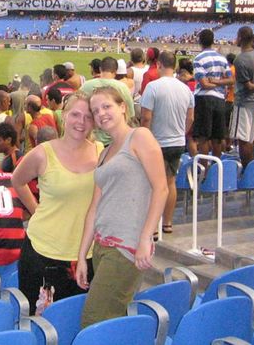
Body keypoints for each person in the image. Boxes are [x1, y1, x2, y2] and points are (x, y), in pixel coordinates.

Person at [75, 86, 168, 328]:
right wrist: (82, 256)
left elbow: (161, 189)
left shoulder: (140, 137)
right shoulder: (104, 154)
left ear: (123, 107)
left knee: (93, 320)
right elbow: (94, 208)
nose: (101, 114)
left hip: (126, 247)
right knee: (109, 319)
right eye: (96, 111)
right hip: (102, 246)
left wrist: (146, 239)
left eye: (107, 106)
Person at [11, 92, 103, 315]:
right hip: (43, 253)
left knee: (74, 319)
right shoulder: (43, 153)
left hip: (86, 255)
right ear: (63, 116)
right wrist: (36, 210)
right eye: (75, 114)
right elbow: (17, 180)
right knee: (41, 321)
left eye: (88, 116)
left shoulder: (101, 152)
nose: (81, 122)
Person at [140, 51, 193, 236]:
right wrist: (181, 133)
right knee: (170, 182)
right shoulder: (185, 89)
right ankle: (167, 223)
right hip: (177, 141)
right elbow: (190, 117)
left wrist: (143, 137)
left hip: (157, 141)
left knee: (154, 184)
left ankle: (153, 227)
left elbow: (146, 117)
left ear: (160, 65)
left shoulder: (153, 87)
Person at [230, 26, 254, 169]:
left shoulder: (240, 59)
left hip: (244, 103)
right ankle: (250, 170)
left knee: (243, 140)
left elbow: (249, 86)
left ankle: (247, 170)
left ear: (240, 37)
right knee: (251, 139)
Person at [192, 29, 233, 159]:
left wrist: (213, 81)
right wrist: (220, 83)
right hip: (220, 99)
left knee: (203, 137)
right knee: (217, 138)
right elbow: (231, 80)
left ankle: (203, 170)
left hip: (204, 99)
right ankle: (216, 169)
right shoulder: (222, 58)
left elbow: (204, 84)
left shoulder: (198, 59)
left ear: (200, 42)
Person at [79, 57, 135, 146]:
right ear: (115, 71)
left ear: (100, 69)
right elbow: (131, 115)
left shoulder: (86, 86)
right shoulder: (122, 87)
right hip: (115, 139)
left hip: (93, 139)